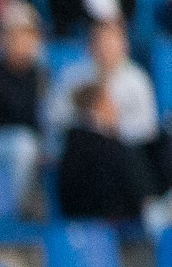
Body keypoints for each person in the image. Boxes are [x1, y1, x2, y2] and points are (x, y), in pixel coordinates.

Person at [47, 19, 166, 190]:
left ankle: (147, 205)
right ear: (91, 45)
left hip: (125, 152)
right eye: (101, 42)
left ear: (124, 46)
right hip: (85, 152)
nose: (106, 49)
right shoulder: (72, 76)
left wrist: (114, 125)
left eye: (111, 42)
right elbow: (54, 117)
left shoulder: (137, 79)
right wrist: (88, 118)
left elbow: (148, 127)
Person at [0, 4, 48, 215]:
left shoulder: (38, 74)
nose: (22, 43)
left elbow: (43, 118)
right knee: (23, 145)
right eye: (15, 36)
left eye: (27, 37)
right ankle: (14, 213)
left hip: (28, 139)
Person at [57, 81, 156, 220]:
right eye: (109, 103)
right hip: (108, 222)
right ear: (97, 109)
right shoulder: (104, 148)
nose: (116, 109)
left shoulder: (75, 143)